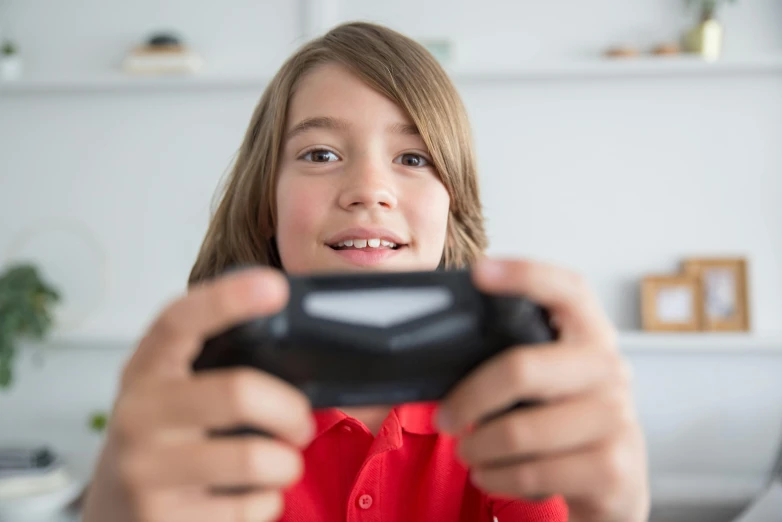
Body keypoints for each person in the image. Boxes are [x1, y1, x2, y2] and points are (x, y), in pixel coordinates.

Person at [82, 22, 650, 522]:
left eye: (413, 158)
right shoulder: (205, 405)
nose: (369, 191)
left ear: (452, 208)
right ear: (265, 205)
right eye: (321, 154)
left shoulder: (504, 396)